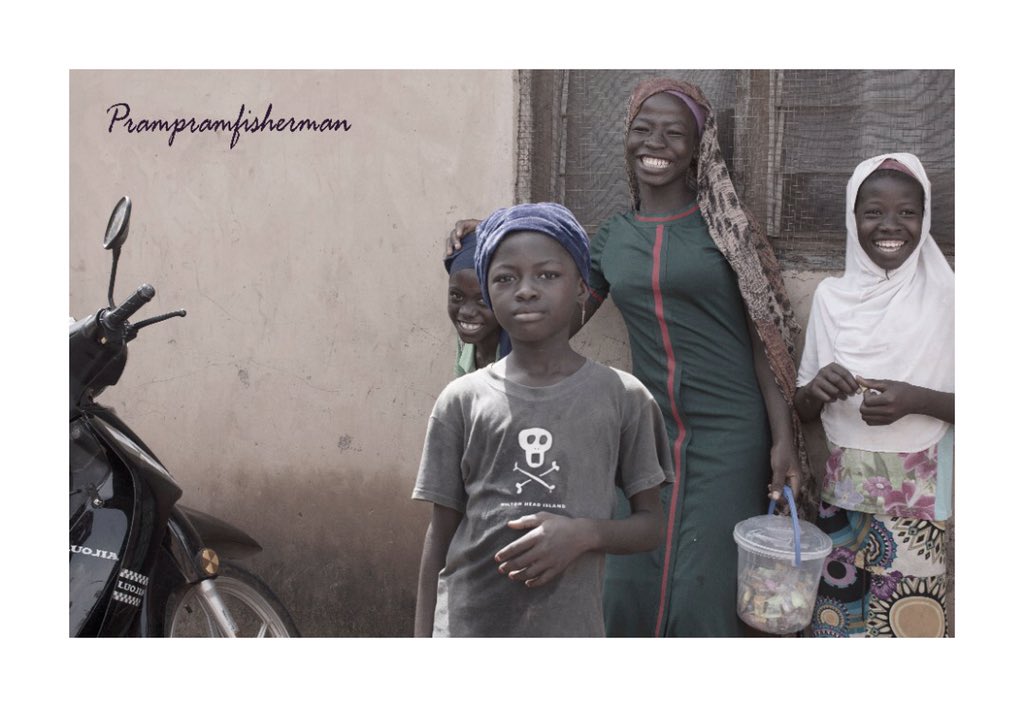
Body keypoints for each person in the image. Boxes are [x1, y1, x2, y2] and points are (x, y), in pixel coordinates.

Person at [446, 78, 809, 637]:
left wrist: (782, 438)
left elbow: (765, 343)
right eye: (643, 129)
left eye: (673, 132)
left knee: (703, 588)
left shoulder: (727, 233)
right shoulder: (613, 238)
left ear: (698, 147)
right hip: (647, 431)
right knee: (626, 582)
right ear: (626, 140)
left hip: (732, 433)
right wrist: (482, 243)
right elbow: (554, 308)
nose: (655, 143)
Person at [413, 202, 673, 637]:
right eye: (505, 278)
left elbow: (649, 527)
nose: (526, 290)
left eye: (547, 275)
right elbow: (440, 535)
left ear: (580, 287)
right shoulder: (461, 400)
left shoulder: (623, 398)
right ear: (490, 291)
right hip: (468, 628)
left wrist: (584, 535)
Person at [795, 153, 954, 637]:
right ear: (852, 217)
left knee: (907, 626)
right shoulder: (830, 297)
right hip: (842, 495)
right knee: (837, 626)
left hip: (918, 498)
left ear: (924, 220)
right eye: (873, 212)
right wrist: (818, 390)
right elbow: (801, 407)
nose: (890, 225)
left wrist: (916, 399)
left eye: (907, 212)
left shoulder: (950, 300)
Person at [442, 231, 504, 377]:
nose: (466, 312)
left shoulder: (521, 351)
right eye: (457, 296)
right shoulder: (467, 344)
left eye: (482, 300)